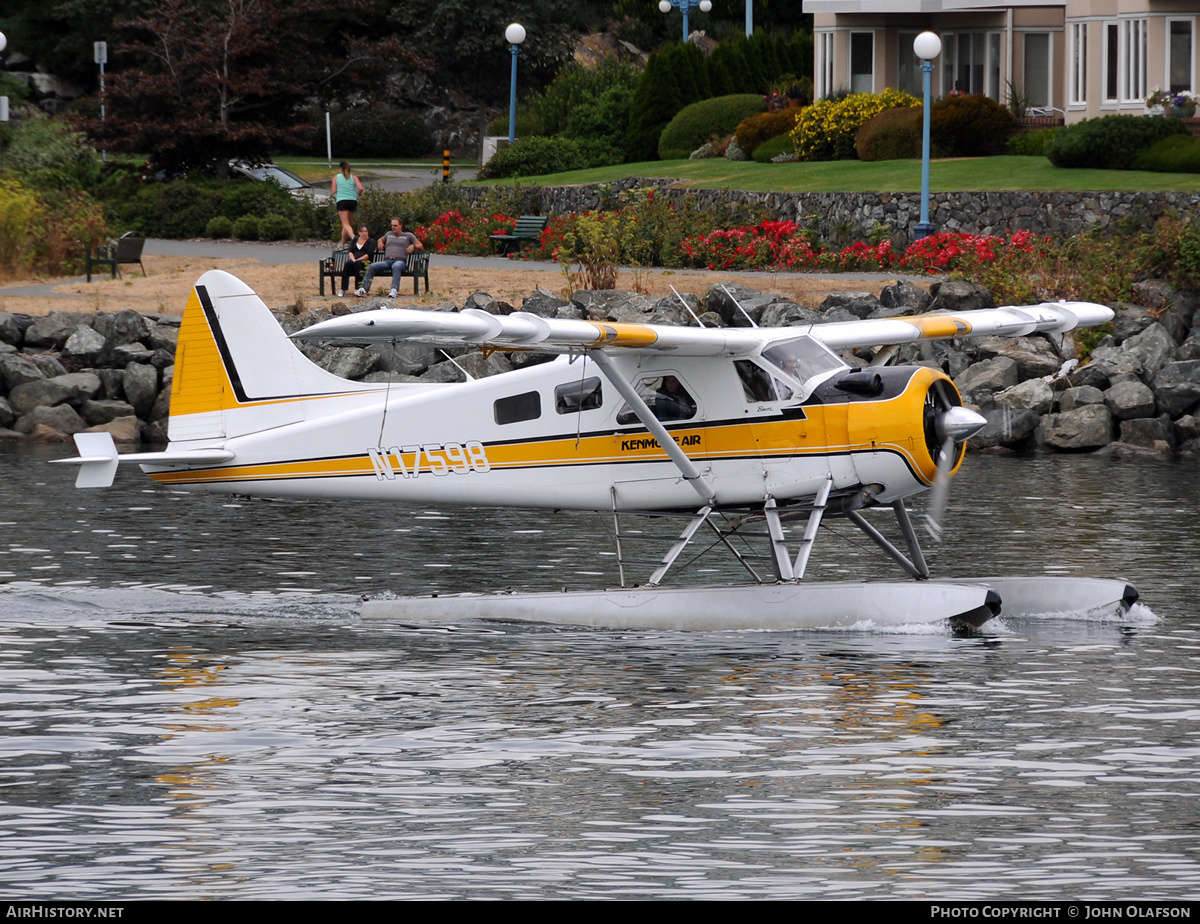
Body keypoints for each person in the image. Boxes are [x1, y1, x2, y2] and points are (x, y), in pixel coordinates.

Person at [356, 218, 423, 298]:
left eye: (395, 225)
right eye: (392, 225)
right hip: (387, 261)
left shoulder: (408, 236)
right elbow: (381, 239)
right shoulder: (389, 234)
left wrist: (413, 246)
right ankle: (363, 289)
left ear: (401, 226)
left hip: (400, 261)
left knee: (396, 266)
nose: (393, 227)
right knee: (372, 266)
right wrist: (380, 242)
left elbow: (420, 245)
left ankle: (394, 290)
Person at [331, 161, 364, 247]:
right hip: (353, 201)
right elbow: (361, 188)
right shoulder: (353, 177)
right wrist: (358, 194)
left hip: (342, 201)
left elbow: (334, 191)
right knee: (347, 223)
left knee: (345, 223)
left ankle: (353, 237)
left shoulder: (336, 177)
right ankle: (341, 243)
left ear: (341, 168)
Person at [338, 224, 373, 298]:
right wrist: (353, 259)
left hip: (365, 261)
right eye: (362, 231)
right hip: (354, 260)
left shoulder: (371, 241)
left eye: (365, 231)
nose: (364, 233)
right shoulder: (354, 240)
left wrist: (358, 259)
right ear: (359, 232)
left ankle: (359, 288)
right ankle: (343, 288)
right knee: (347, 264)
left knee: (358, 264)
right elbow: (350, 251)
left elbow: (369, 254)